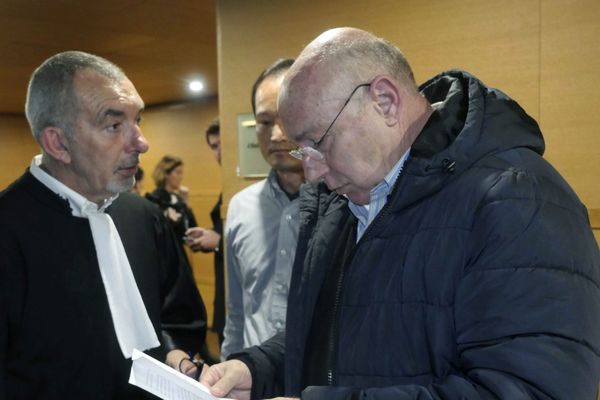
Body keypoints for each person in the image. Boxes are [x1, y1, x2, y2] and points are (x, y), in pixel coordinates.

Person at [200, 28, 600, 399]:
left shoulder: (519, 200)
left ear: (385, 102)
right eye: (301, 152)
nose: (312, 171)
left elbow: (531, 389)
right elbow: (336, 332)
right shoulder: (342, 201)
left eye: (318, 143)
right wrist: (257, 369)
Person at [0, 51, 207, 399]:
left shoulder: (142, 216)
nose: (141, 142)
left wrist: (175, 355)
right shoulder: (8, 231)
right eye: (114, 125)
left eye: (137, 120)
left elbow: (178, 316)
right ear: (58, 142)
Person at [218, 58, 305, 360]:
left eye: (287, 119)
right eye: (265, 122)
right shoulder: (241, 208)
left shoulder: (348, 206)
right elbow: (238, 310)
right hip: (251, 381)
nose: (277, 135)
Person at [185, 118, 226, 345]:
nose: (219, 152)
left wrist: (220, 241)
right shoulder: (229, 186)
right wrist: (209, 235)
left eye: (222, 144)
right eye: (213, 146)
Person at [146, 155, 198, 247]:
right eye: (178, 173)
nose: (181, 177)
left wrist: (186, 202)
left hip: (179, 252)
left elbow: (192, 231)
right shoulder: (154, 199)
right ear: (166, 174)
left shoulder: (178, 199)